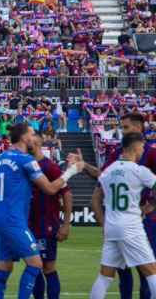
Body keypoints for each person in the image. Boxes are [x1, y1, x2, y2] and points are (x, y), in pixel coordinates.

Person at [0, 123, 82, 299]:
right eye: (32, 133)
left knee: (4, 268)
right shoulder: (26, 160)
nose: (34, 137)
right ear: (24, 138)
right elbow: (50, 189)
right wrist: (72, 171)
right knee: (36, 264)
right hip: (15, 221)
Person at [74, 112, 156, 299]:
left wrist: (83, 166)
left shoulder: (113, 167)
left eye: (125, 127)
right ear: (136, 147)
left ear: (138, 128)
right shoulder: (136, 167)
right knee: (150, 271)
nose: (122, 130)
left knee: (105, 274)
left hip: (115, 223)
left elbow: (101, 179)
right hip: (132, 223)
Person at [28, 133, 73, 299]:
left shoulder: (50, 167)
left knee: (48, 267)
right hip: (28, 225)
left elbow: (66, 194)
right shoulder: (25, 164)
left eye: (31, 139)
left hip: (46, 224)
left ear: (39, 142)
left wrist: (66, 224)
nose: (27, 142)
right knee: (33, 267)